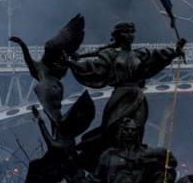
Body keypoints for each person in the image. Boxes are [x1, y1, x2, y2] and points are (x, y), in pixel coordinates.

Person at [67, 21, 185, 168]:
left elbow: (158, 56)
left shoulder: (141, 54)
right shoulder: (110, 55)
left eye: (132, 32)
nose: (129, 35)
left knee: (137, 129)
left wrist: (175, 51)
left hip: (138, 97)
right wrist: (71, 63)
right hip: (120, 97)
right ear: (118, 36)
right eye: (125, 32)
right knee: (112, 131)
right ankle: (109, 161)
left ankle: (134, 162)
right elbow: (94, 69)